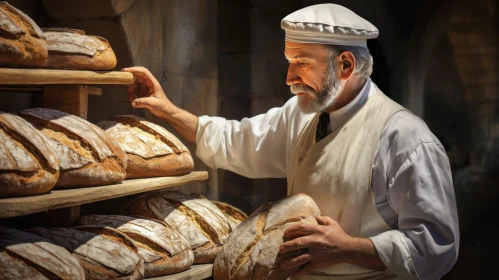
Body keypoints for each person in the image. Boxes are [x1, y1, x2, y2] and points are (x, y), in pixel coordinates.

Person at [123, 3, 459, 280]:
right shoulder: (299, 115)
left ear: (345, 65)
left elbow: (437, 246)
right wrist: (167, 111)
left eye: (302, 63)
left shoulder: (406, 138)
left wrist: (350, 248)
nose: (289, 78)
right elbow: (237, 140)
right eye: (289, 62)